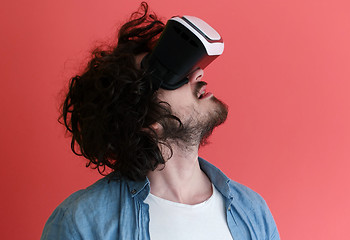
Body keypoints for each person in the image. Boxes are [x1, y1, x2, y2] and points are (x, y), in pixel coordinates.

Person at [41, 2, 279, 240]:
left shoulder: (252, 211)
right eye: (172, 76)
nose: (198, 74)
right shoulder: (81, 223)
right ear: (145, 120)